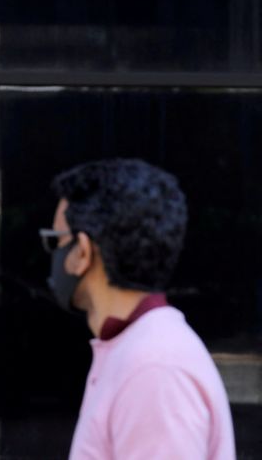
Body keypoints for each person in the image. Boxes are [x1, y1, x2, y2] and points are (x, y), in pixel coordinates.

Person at [41, 159, 235, 459]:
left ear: (82, 250)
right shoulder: (138, 349)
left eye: (55, 241)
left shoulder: (152, 370)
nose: (53, 256)